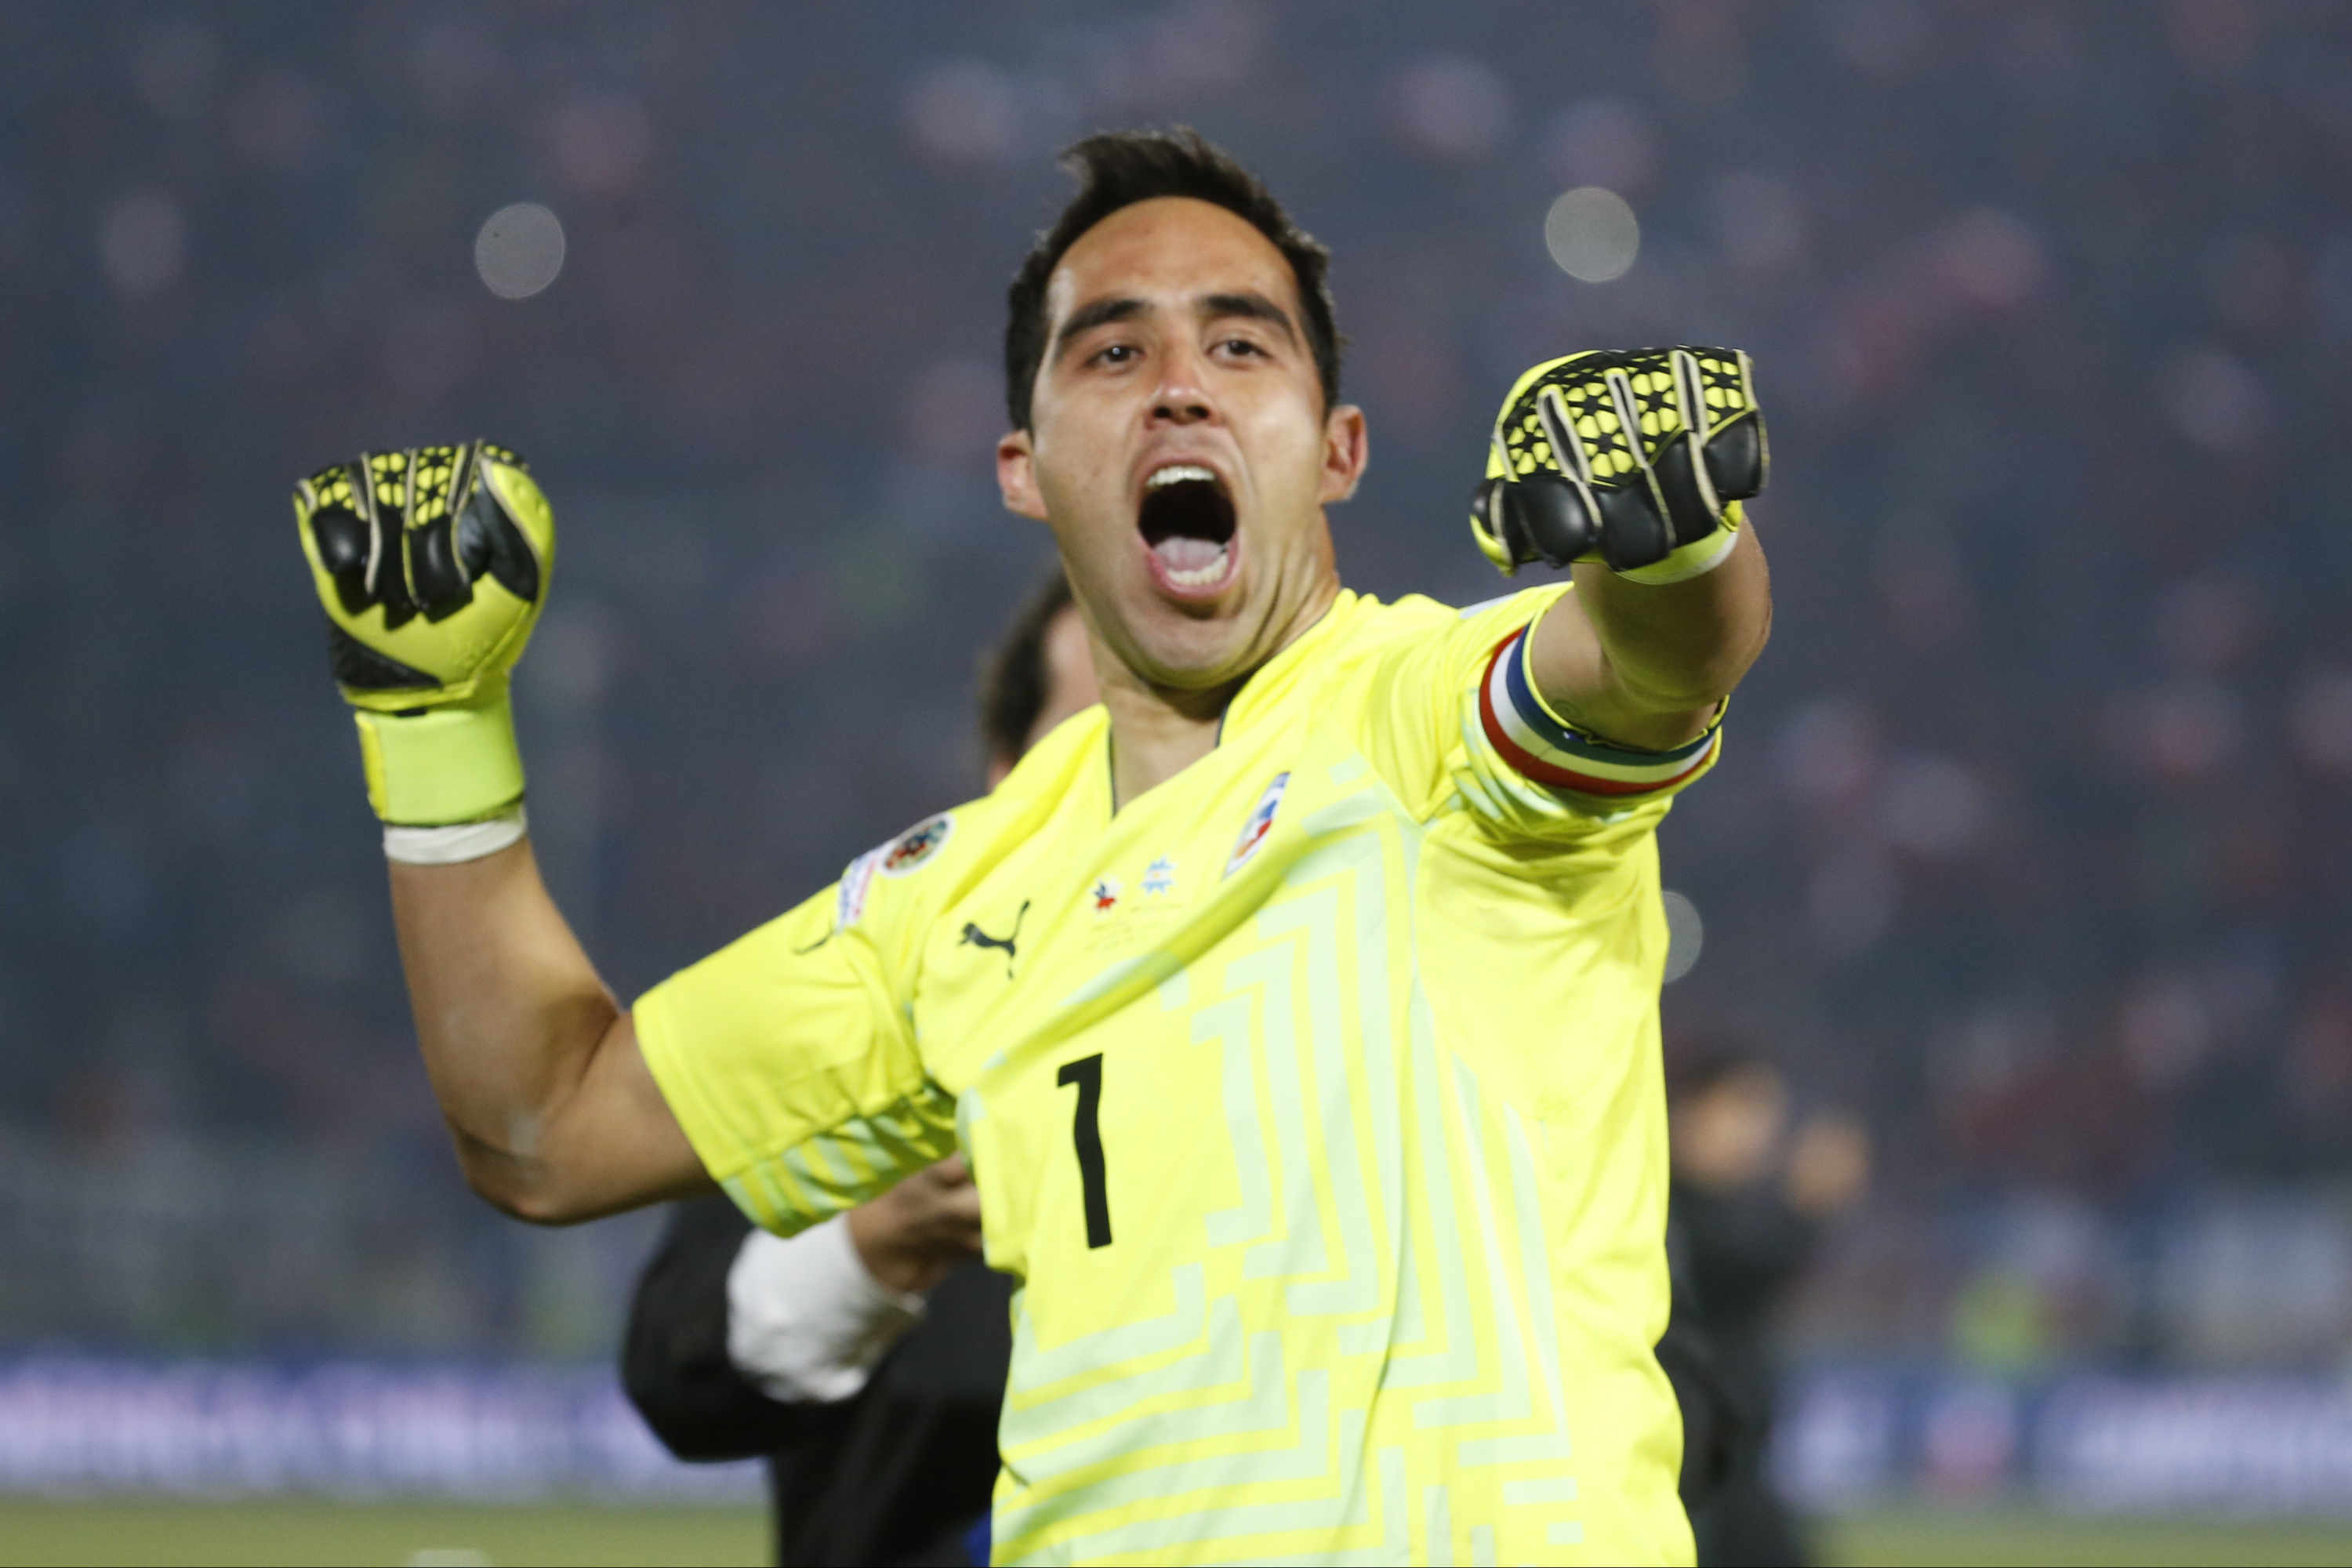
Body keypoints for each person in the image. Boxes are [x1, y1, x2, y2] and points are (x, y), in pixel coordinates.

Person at [291, 128, 1773, 1563]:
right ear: (1023, 463)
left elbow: (1652, 665)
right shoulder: (960, 897)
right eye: (1114, 351)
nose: (1182, 386)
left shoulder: (1423, 722)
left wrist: (1678, 540)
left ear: (1338, 451)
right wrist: (435, 728)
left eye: (1242, 344)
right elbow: (546, 1127)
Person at [623, 575, 1094, 1567]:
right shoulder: (869, 1021)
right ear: (1005, 778)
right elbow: (677, 1374)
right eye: (1097, 737)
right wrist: (874, 1248)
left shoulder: (1335, 1020)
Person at [1665, 1044, 1871, 1567]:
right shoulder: (1661, 1204)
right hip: (1694, 1474)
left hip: (1735, 1467)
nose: (1760, 1131)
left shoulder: (1726, 1209)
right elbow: (1741, 1267)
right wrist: (1805, 1204)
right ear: (1685, 1110)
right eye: (1743, 1108)